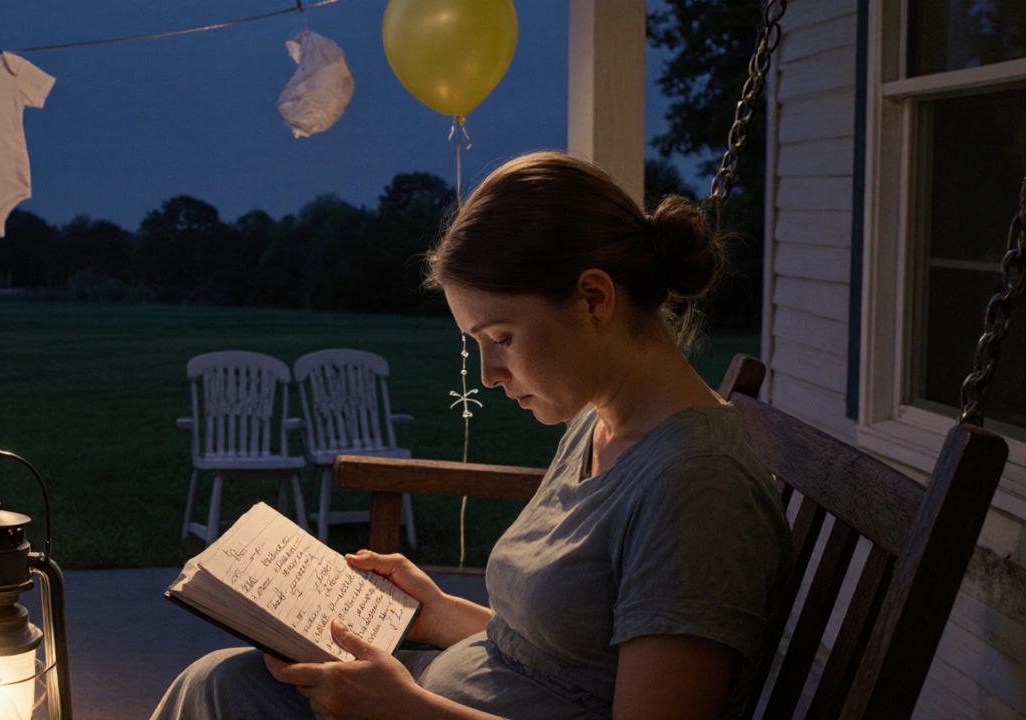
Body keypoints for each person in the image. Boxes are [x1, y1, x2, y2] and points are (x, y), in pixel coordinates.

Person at [151, 151, 793, 720]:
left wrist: (406, 711)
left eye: (502, 338)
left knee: (220, 695)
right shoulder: (597, 423)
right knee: (219, 682)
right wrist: (435, 612)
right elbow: (563, 659)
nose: (487, 375)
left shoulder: (697, 488)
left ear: (595, 299)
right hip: (447, 690)